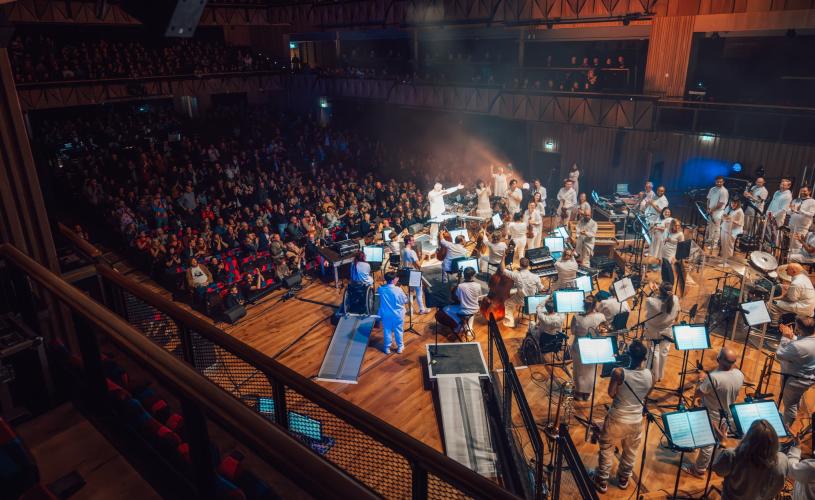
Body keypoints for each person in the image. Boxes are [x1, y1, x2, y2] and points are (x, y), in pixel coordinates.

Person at [592, 340, 652, 493]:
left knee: (606, 447)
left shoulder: (618, 373)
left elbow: (611, 394)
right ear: (644, 357)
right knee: (631, 450)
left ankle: (602, 480)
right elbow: (646, 394)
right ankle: (624, 478)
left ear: (628, 355)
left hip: (617, 418)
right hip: (636, 420)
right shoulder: (649, 374)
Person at [685, 347, 744, 477]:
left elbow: (699, 393)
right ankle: (715, 462)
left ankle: (699, 469)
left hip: (712, 414)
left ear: (719, 360)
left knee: (707, 442)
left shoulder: (714, 378)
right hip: (728, 413)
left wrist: (702, 380)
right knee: (721, 439)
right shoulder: (739, 374)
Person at [711, 419, 788, 500]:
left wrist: (723, 443)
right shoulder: (783, 460)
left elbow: (719, 471)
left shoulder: (732, 456)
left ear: (748, 437)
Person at [776, 316, 815, 428]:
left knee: (790, 405)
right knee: (795, 400)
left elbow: (780, 354)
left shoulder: (798, 346)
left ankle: (785, 429)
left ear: (800, 329)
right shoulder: (810, 339)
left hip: (794, 380)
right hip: (806, 378)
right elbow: (803, 341)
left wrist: (785, 337)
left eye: (796, 328)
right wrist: (792, 336)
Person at [570, 295, 606, 400]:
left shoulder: (577, 317)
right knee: (591, 370)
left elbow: (573, 331)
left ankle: (579, 393)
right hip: (594, 346)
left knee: (579, 370)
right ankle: (587, 393)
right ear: (595, 304)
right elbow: (603, 331)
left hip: (579, 346)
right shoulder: (601, 317)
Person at [643, 281, 680, 382]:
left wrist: (653, 291)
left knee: (652, 352)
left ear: (660, 291)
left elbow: (652, 304)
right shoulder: (675, 299)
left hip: (652, 331)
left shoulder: (650, 301)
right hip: (667, 331)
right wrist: (657, 291)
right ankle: (659, 376)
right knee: (663, 353)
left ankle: (651, 375)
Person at [500, 257, 544, 328]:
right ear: (528, 265)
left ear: (520, 265)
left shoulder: (516, 275)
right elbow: (541, 288)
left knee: (507, 303)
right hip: (532, 301)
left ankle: (510, 322)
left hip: (521, 300)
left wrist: (502, 258)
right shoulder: (536, 277)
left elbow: (503, 270)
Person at [442, 267, 482, 338]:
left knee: (445, 309)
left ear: (464, 275)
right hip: (475, 309)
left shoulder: (460, 286)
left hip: (464, 310)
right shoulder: (478, 285)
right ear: (473, 275)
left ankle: (459, 323)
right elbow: (478, 296)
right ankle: (469, 329)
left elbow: (457, 298)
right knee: (470, 312)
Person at [377, 271, 409, 354]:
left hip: (386, 314)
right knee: (398, 330)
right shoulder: (398, 290)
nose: (397, 279)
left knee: (387, 330)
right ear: (393, 280)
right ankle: (400, 347)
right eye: (396, 278)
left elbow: (380, 289)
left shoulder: (381, 289)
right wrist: (408, 296)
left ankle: (387, 348)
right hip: (397, 314)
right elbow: (404, 301)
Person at [401, 235, 429, 315]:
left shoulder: (403, 250)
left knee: (411, 292)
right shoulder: (411, 252)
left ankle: (411, 310)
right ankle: (422, 309)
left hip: (407, 273)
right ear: (409, 241)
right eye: (412, 240)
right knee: (419, 292)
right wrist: (423, 257)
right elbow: (419, 265)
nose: (414, 242)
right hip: (414, 273)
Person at [766, 178, 793, 245]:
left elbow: (783, 209)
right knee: (768, 233)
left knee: (775, 234)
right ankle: (767, 248)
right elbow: (772, 203)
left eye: (784, 185)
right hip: (770, 215)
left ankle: (774, 251)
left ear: (788, 186)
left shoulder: (788, 196)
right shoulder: (777, 192)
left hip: (778, 218)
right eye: (781, 184)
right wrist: (767, 212)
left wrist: (774, 215)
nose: (781, 186)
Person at [788, 186, 815, 251]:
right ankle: (788, 259)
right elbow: (788, 212)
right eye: (801, 191)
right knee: (789, 244)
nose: (802, 192)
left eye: (804, 191)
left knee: (797, 245)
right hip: (792, 225)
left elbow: (812, 214)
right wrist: (791, 210)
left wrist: (800, 211)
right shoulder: (796, 200)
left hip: (801, 227)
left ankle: (794, 258)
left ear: (809, 192)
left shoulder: (812, 201)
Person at [706, 176, 729, 249]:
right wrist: (708, 208)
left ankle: (714, 244)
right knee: (710, 226)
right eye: (717, 181)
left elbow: (721, 203)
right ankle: (709, 241)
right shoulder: (712, 189)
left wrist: (712, 210)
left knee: (716, 228)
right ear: (715, 181)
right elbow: (708, 199)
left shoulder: (724, 191)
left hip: (718, 212)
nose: (718, 183)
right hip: (710, 210)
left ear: (723, 182)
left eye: (720, 181)